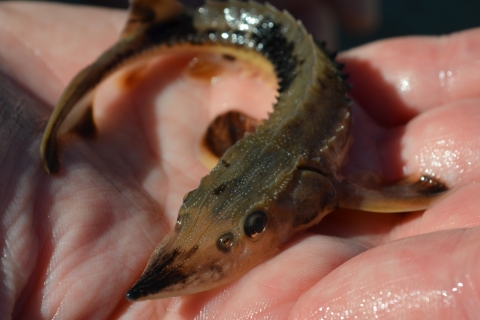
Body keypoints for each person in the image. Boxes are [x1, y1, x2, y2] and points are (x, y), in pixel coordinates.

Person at [0, 1, 479, 319]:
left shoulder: (321, 184)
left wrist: (423, 193)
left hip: (292, 64)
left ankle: (160, 32)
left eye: (252, 227)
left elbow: (228, 131)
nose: (197, 244)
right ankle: (157, 31)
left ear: (319, 192)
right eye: (191, 208)